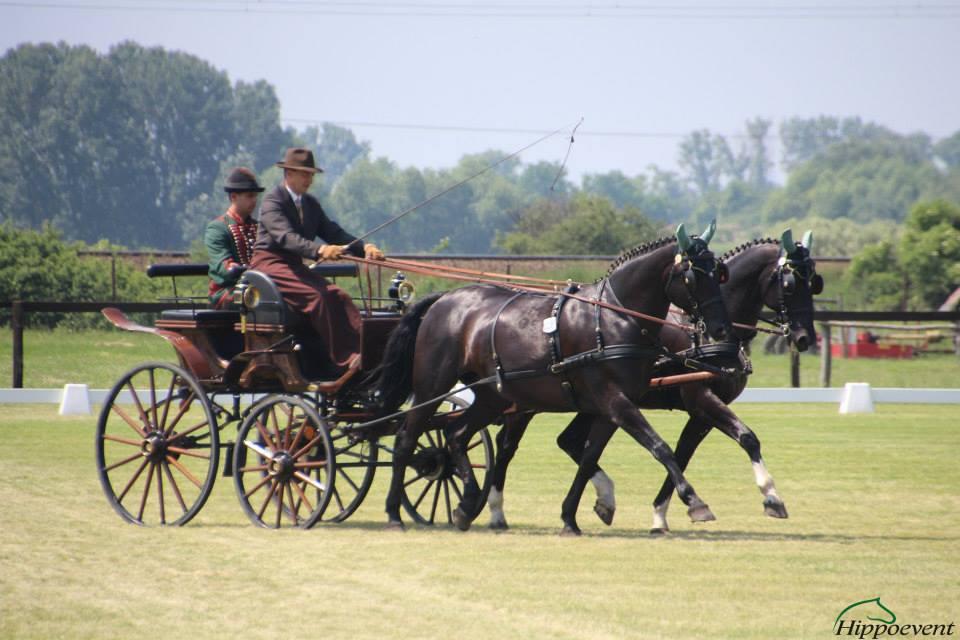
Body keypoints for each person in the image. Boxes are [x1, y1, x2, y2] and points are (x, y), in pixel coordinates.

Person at [250, 147, 385, 371]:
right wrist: (320, 251)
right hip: (269, 266)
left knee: (339, 295)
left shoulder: (310, 204)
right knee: (320, 297)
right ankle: (346, 359)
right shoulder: (273, 202)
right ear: (289, 173)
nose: (309, 179)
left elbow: (333, 232)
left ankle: (367, 351)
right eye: (305, 174)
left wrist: (364, 248)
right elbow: (286, 238)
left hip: (293, 266)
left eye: (311, 174)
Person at [205, 167, 264, 309]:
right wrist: (244, 270)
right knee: (256, 296)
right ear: (233, 197)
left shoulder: (259, 227)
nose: (254, 200)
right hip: (226, 292)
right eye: (249, 195)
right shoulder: (217, 228)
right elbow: (224, 268)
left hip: (256, 286)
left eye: (255, 196)